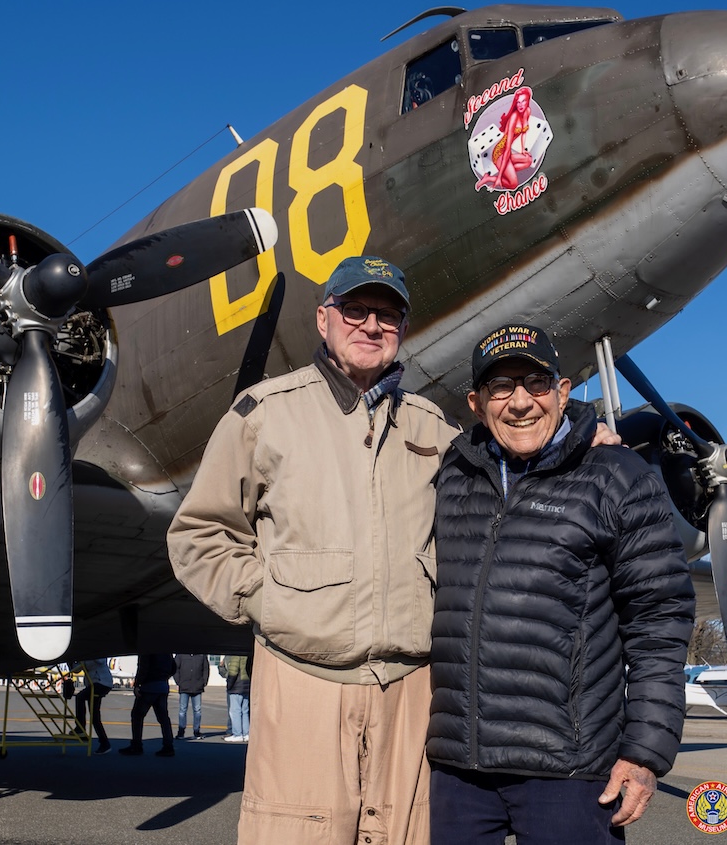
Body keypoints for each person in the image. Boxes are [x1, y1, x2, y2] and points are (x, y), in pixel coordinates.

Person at [168, 256, 462, 845]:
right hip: (303, 675)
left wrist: (587, 440)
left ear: (403, 329)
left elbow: (506, 493)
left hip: (410, 687)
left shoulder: (434, 427)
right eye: (355, 309)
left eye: (388, 314)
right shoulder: (264, 413)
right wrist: (266, 600)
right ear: (324, 319)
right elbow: (198, 533)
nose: (371, 325)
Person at [427, 322, 696, 844]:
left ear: (564, 391)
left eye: (536, 383)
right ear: (477, 402)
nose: (521, 402)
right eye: (501, 387)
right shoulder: (452, 476)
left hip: (569, 774)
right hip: (460, 771)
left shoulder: (617, 475)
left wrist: (644, 753)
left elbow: (660, 621)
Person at [119, 652, 176, 758]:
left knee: (137, 715)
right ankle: (168, 746)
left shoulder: (147, 648)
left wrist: (137, 684)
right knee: (163, 718)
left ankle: (137, 745)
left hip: (149, 686)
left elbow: (143, 667)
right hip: (162, 685)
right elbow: (174, 667)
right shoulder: (167, 650)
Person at [73, 657, 113, 755]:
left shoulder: (95, 651)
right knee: (94, 717)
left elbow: (101, 660)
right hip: (93, 684)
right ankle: (105, 743)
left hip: (102, 682)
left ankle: (80, 727)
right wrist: (72, 661)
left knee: (80, 697)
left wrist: (89, 653)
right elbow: (77, 669)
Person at [174, 653, 210, 739]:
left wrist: (204, 682)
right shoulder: (180, 655)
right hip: (184, 687)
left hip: (197, 687)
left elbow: (206, 669)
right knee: (182, 710)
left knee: (197, 710)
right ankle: (181, 731)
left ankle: (196, 731)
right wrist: (178, 682)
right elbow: (175, 669)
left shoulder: (202, 655)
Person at [219, 654, 252, 743]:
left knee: (235, 711)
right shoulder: (247, 655)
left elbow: (233, 671)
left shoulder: (236, 655)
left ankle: (237, 734)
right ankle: (246, 734)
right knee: (245, 711)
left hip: (237, 686)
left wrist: (229, 685)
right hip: (246, 685)